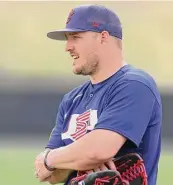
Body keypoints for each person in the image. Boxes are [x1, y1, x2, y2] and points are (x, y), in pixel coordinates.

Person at [34, 4, 162, 185]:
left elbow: (99, 150)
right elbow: (50, 176)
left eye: (76, 37)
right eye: (67, 39)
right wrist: (74, 158)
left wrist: (50, 158)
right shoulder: (72, 99)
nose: (67, 47)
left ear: (103, 37)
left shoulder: (135, 85)